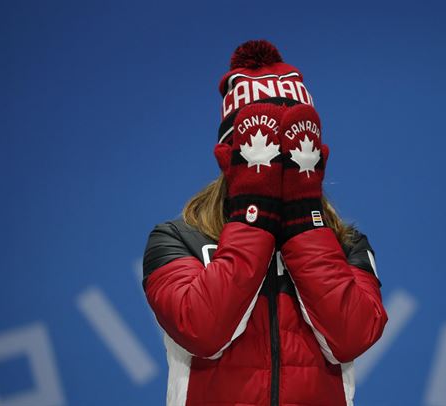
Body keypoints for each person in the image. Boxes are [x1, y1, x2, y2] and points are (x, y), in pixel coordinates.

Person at [142, 40, 388, 406]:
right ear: (230, 157)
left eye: (291, 150)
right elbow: (202, 332)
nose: (280, 162)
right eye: (266, 149)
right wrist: (253, 212)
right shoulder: (176, 239)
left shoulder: (346, 243)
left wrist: (305, 220)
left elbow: (352, 336)